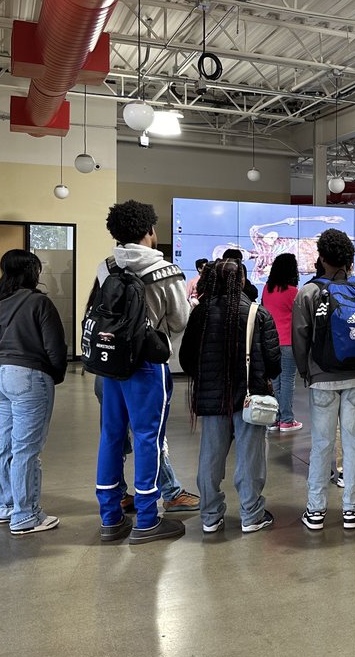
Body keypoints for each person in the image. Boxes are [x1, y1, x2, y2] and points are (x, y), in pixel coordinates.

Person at [93, 200, 191, 544]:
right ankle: (148, 519)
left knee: (112, 436)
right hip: (147, 367)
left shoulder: (106, 268)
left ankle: (110, 517)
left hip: (109, 366)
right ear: (150, 230)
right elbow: (181, 321)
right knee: (149, 438)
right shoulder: (165, 271)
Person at [180, 260, 281, 534]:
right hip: (249, 398)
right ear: (242, 281)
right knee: (250, 459)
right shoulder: (257, 313)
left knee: (210, 458)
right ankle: (251, 514)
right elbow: (274, 362)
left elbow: (186, 358)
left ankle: (210, 516)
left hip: (212, 400)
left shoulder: (200, 315)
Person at [292, 228, 355, 530]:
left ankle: (316, 510)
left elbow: (300, 338)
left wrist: (307, 372)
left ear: (321, 258)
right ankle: (352, 509)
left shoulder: (309, 292)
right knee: (354, 444)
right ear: (350, 259)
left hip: (322, 377)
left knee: (321, 443)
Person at [0, 250, 68, 535]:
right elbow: (56, 347)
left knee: (3, 444)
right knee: (26, 449)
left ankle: (5, 506)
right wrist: (54, 375)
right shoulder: (39, 303)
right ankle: (26, 515)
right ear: (32, 272)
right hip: (29, 377)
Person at [262, 252, 302, 433]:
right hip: (287, 341)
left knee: (275, 381)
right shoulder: (294, 292)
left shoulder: (266, 289)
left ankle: (274, 418)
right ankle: (286, 419)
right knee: (287, 380)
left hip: (269, 341)